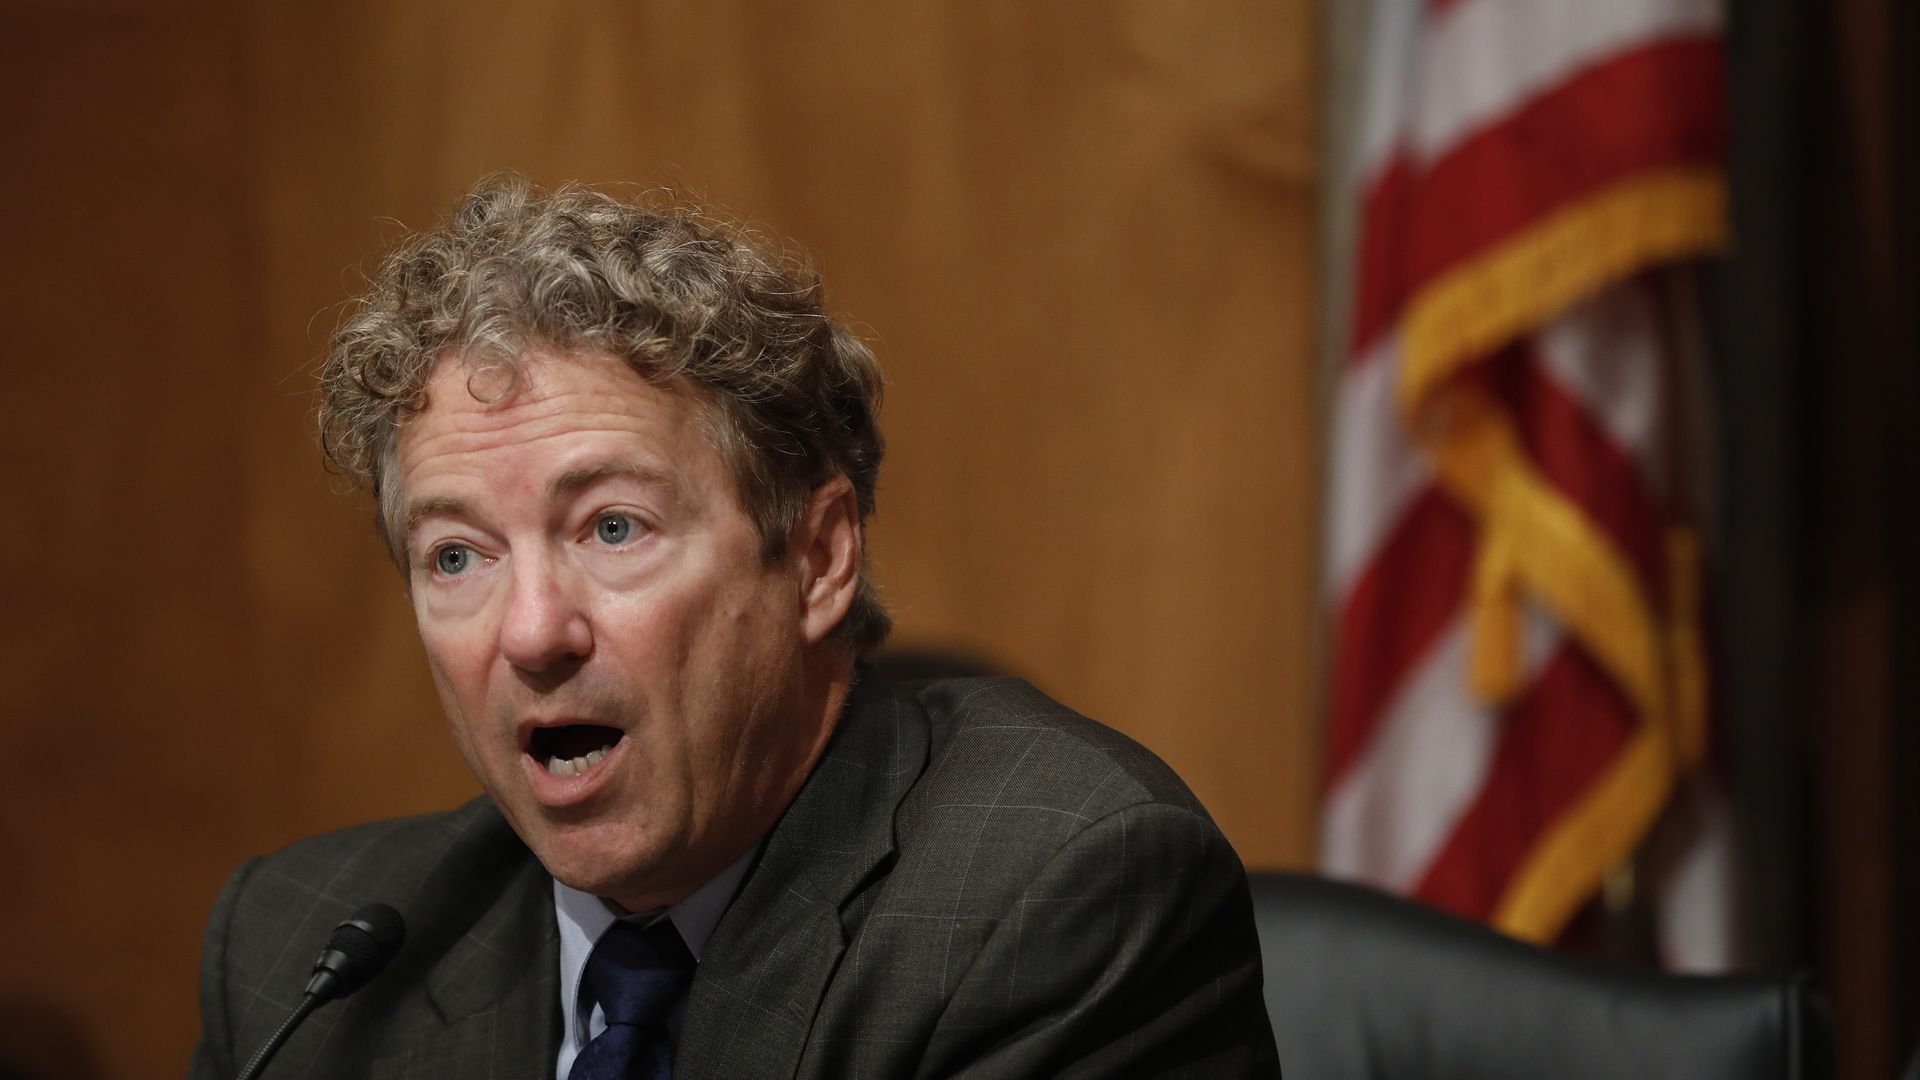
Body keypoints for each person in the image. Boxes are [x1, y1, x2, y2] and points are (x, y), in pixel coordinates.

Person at [189, 173, 1280, 1079]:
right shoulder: (301, 960)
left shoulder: (1051, 895)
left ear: (818, 558)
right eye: (458, 556)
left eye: (613, 528)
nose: (531, 632)